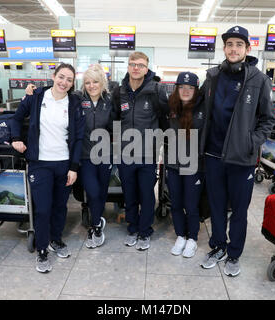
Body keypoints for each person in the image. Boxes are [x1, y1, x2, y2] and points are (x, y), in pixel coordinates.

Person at [199, 26, 275, 276]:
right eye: (230, 44)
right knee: (217, 205)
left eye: (239, 45)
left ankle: (234, 253)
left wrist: (251, 142)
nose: (233, 49)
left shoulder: (259, 79)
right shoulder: (212, 76)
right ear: (224, 48)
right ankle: (218, 246)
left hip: (241, 158)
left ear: (247, 49)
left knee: (240, 209)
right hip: (213, 154)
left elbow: (268, 120)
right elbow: (200, 110)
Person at [11, 63, 85, 273]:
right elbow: (17, 118)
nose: (64, 82)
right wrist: (15, 138)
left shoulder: (74, 103)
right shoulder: (37, 96)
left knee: (60, 207)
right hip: (40, 163)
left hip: (63, 163)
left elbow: (78, 138)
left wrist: (74, 167)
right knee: (43, 208)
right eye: (61, 77)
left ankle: (56, 240)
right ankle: (42, 249)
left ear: (72, 84)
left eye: (69, 80)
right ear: (53, 76)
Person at [111, 51, 168, 251]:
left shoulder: (156, 91)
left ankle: (145, 232)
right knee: (129, 194)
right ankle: (133, 228)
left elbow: (164, 121)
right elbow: (115, 121)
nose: (136, 68)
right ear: (128, 66)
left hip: (147, 154)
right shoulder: (119, 92)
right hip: (125, 154)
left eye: (140, 65)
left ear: (147, 68)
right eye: (132, 64)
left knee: (146, 194)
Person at [165, 72, 205, 258]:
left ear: (196, 90)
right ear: (177, 89)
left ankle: (192, 239)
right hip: (173, 164)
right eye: (182, 87)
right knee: (176, 203)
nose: (186, 90)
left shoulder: (202, 109)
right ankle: (180, 235)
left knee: (191, 205)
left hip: (193, 165)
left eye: (190, 87)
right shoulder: (171, 108)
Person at [77, 64, 114, 249]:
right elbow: (57, 92)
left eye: (95, 82)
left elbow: (116, 124)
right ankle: (96, 226)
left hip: (104, 156)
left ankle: (97, 223)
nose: (91, 86)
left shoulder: (110, 100)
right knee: (92, 192)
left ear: (102, 83)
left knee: (101, 192)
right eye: (87, 82)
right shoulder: (77, 98)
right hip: (85, 156)